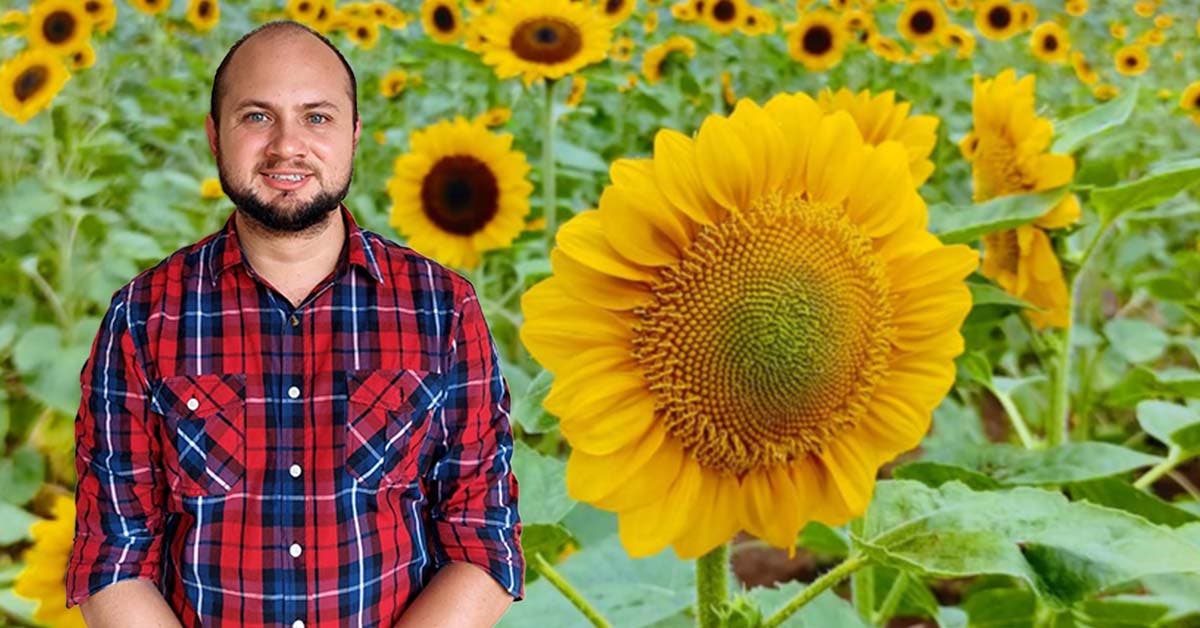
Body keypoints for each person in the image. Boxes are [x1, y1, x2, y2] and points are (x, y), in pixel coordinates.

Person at [64, 21, 524, 628]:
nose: (287, 146)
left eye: (317, 117)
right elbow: (114, 558)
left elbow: (482, 541)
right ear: (213, 136)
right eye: (256, 117)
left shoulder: (442, 308)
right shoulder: (144, 317)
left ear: (354, 135)